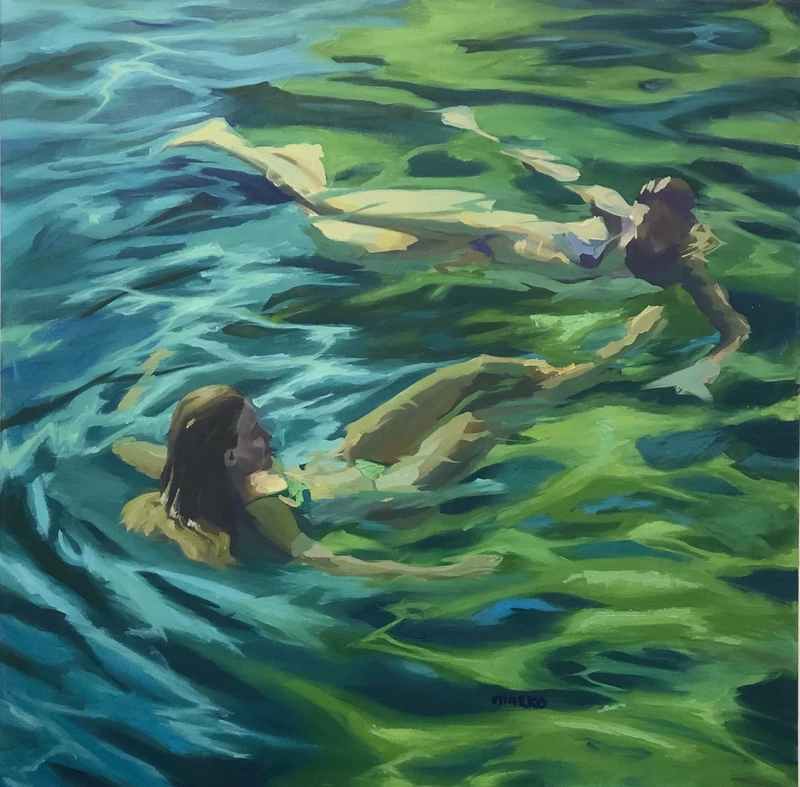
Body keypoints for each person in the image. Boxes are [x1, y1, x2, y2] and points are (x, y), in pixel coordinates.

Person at [161, 110, 749, 400]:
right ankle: (225, 136)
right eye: (645, 211)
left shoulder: (682, 266)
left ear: (681, 225)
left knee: (338, 242)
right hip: (478, 223)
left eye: (658, 220)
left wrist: (708, 367)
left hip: (477, 255)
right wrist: (484, 133)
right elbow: (559, 175)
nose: (646, 224)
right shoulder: (618, 216)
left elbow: (733, 327)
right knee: (329, 209)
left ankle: (300, 158)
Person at [114, 304, 665, 573]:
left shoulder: (192, 466)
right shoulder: (264, 511)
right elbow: (330, 562)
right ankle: (619, 354)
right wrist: (445, 575)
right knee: (484, 419)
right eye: (255, 433)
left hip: (344, 458)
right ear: (228, 455)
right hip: (396, 487)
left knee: (472, 372)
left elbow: (124, 443)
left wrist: (142, 376)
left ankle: (567, 368)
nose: (268, 433)